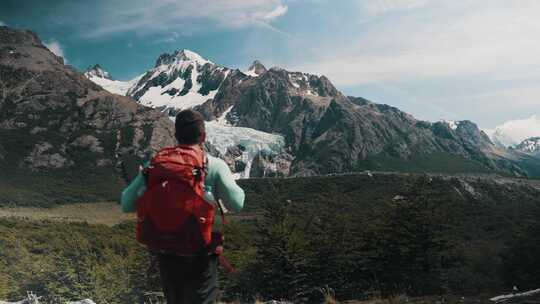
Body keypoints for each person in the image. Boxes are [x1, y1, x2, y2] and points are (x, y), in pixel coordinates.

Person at [120, 109, 245, 304]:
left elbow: (126, 203)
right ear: (203, 136)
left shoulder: (155, 164)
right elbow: (237, 204)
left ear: (176, 135)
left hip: (165, 250)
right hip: (200, 252)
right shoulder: (213, 164)